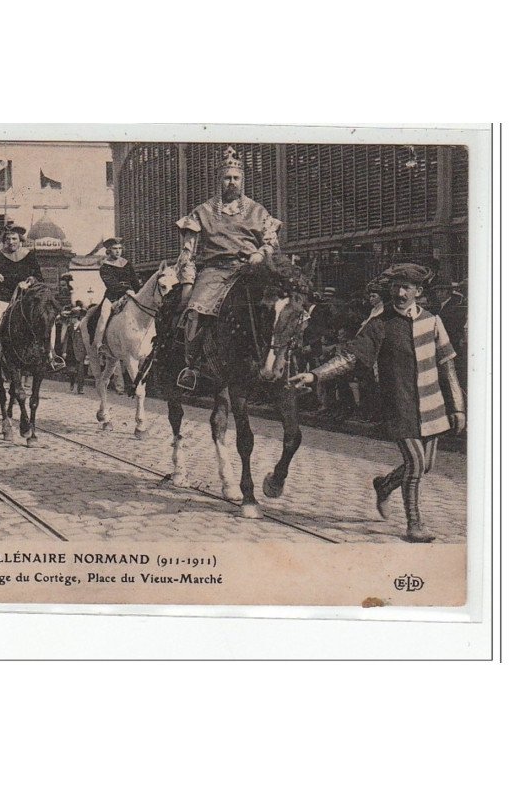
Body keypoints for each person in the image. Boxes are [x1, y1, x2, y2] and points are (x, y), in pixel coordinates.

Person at [290, 263, 466, 543]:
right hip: (400, 404)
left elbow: (448, 367)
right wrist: (315, 375)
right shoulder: (380, 324)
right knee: (416, 464)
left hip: (433, 404)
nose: (399, 292)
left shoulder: (433, 321)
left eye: (406, 287)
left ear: (418, 292)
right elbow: (350, 358)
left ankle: (384, 485)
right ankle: (414, 524)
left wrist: (457, 406)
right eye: (395, 286)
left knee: (426, 465)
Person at [174, 145, 283, 390]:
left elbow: (271, 243)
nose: (231, 182)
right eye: (226, 178)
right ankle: (192, 366)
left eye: (236, 178)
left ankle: (278, 361)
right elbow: (187, 254)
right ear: (219, 180)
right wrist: (188, 284)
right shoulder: (201, 212)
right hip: (215, 271)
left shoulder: (258, 210)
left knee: (278, 309)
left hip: (251, 269)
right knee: (195, 311)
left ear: (242, 180)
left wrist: (260, 253)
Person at [0, 223, 44, 376]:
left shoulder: (29, 255)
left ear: (20, 239)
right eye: (8, 239)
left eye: (14, 238)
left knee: (46, 321)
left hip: (26, 299)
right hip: (4, 298)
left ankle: (50, 356)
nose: (11, 242)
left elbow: (39, 277)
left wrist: (29, 282)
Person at [93, 237, 140, 351]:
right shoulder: (105, 266)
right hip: (113, 296)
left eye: (120, 248)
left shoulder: (126, 263)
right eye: (115, 248)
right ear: (109, 250)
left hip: (130, 294)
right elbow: (111, 284)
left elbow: (134, 281)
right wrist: (125, 290)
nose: (118, 251)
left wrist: (138, 292)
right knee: (104, 316)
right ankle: (99, 344)